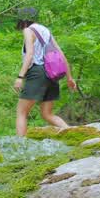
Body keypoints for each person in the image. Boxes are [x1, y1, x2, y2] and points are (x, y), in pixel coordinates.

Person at [12, 8, 77, 137]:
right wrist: (69, 77)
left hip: (37, 72)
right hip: (52, 75)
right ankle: (75, 134)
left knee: (21, 112)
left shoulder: (28, 30)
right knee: (47, 114)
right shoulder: (45, 30)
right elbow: (60, 53)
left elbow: (30, 54)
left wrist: (20, 77)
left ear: (22, 19)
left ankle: (21, 146)